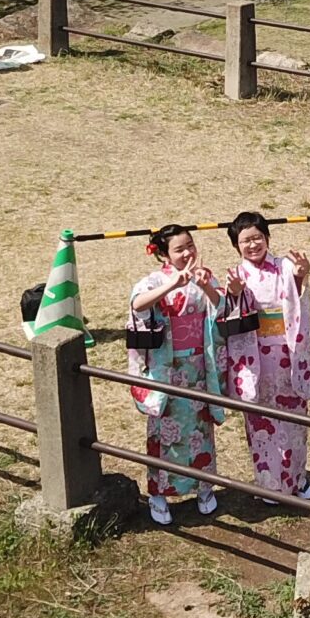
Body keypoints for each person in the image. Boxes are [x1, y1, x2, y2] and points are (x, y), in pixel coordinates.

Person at [127, 225, 224, 525]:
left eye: (190, 246)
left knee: (201, 429)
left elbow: (221, 307)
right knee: (164, 431)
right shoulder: (155, 281)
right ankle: (158, 493)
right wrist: (172, 285)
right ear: (164, 254)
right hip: (166, 369)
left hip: (199, 367)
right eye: (179, 249)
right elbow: (137, 304)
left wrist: (206, 286)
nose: (187, 253)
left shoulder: (204, 275)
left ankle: (204, 487)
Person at [220, 212, 310, 499]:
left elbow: (297, 297)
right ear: (236, 246)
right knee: (262, 423)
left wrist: (300, 275)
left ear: (267, 238)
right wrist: (234, 292)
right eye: (245, 241)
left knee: (294, 419)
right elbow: (231, 314)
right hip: (256, 358)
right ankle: (269, 484)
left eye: (258, 238)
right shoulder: (237, 275)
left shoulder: (284, 266)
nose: (253, 245)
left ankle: (298, 478)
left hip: (288, 353)